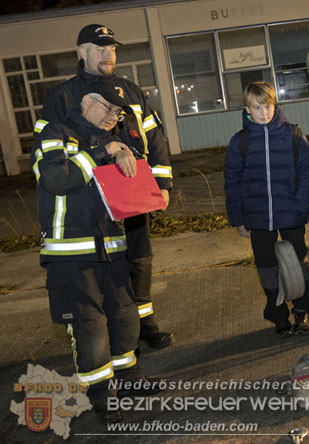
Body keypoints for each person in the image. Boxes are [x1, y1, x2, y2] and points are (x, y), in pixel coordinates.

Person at [31, 80, 162, 424]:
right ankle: (103, 398)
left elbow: (129, 183)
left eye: (118, 112)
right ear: (87, 101)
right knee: (90, 328)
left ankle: (129, 381)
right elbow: (56, 180)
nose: (112, 116)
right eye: (107, 108)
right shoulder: (55, 134)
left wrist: (137, 171)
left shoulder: (111, 140)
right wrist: (100, 155)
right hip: (71, 254)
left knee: (125, 318)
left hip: (112, 246)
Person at [39, 24, 173, 349]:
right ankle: (116, 338)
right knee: (111, 268)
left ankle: (144, 324)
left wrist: (163, 182)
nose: (107, 54)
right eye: (99, 48)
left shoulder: (132, 91)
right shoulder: (62, 97)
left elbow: (154, 138)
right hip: (92, 198)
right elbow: (50, 151)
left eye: (111, 48)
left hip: (133, 190)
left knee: (140, 260)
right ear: (81, 52)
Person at [224, 81, 309, 337]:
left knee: (299, 265)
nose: (263, 112)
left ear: (275, 106)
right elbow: (232, 183)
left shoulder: (294, 135)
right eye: (257, 107)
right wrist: (238, 218)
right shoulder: (239, 142)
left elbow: (308, 175)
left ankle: (303, 311)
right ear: (247, 110)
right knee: (267, 269)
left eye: (267, 106)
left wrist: (301, 207)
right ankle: (278, 314)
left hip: (291, 215)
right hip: (257, 217)